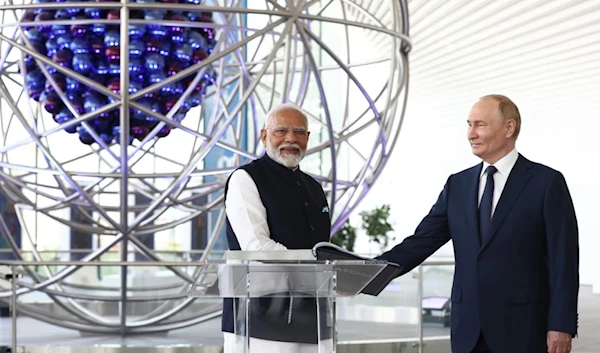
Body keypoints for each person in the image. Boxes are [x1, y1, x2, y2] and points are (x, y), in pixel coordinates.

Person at [377, 95, 579, 353]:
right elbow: (421, 242)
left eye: (479, 124)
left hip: (524, 327)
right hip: (467, 328)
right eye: (468, 124)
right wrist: (368, 272)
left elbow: (564, 260)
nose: (470, 134)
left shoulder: (546, 183)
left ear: (509, 127)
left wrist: (561, 324)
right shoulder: (457, 185)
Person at [221, 103, 332, 353]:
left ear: (307, 138)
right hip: (258, 318)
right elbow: (257, 246)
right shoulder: (245, 178)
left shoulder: (314, 187)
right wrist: (310, 274)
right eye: (281, 131)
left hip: (312, 315)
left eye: (299, 132)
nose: (291, 138)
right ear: (264, 136)